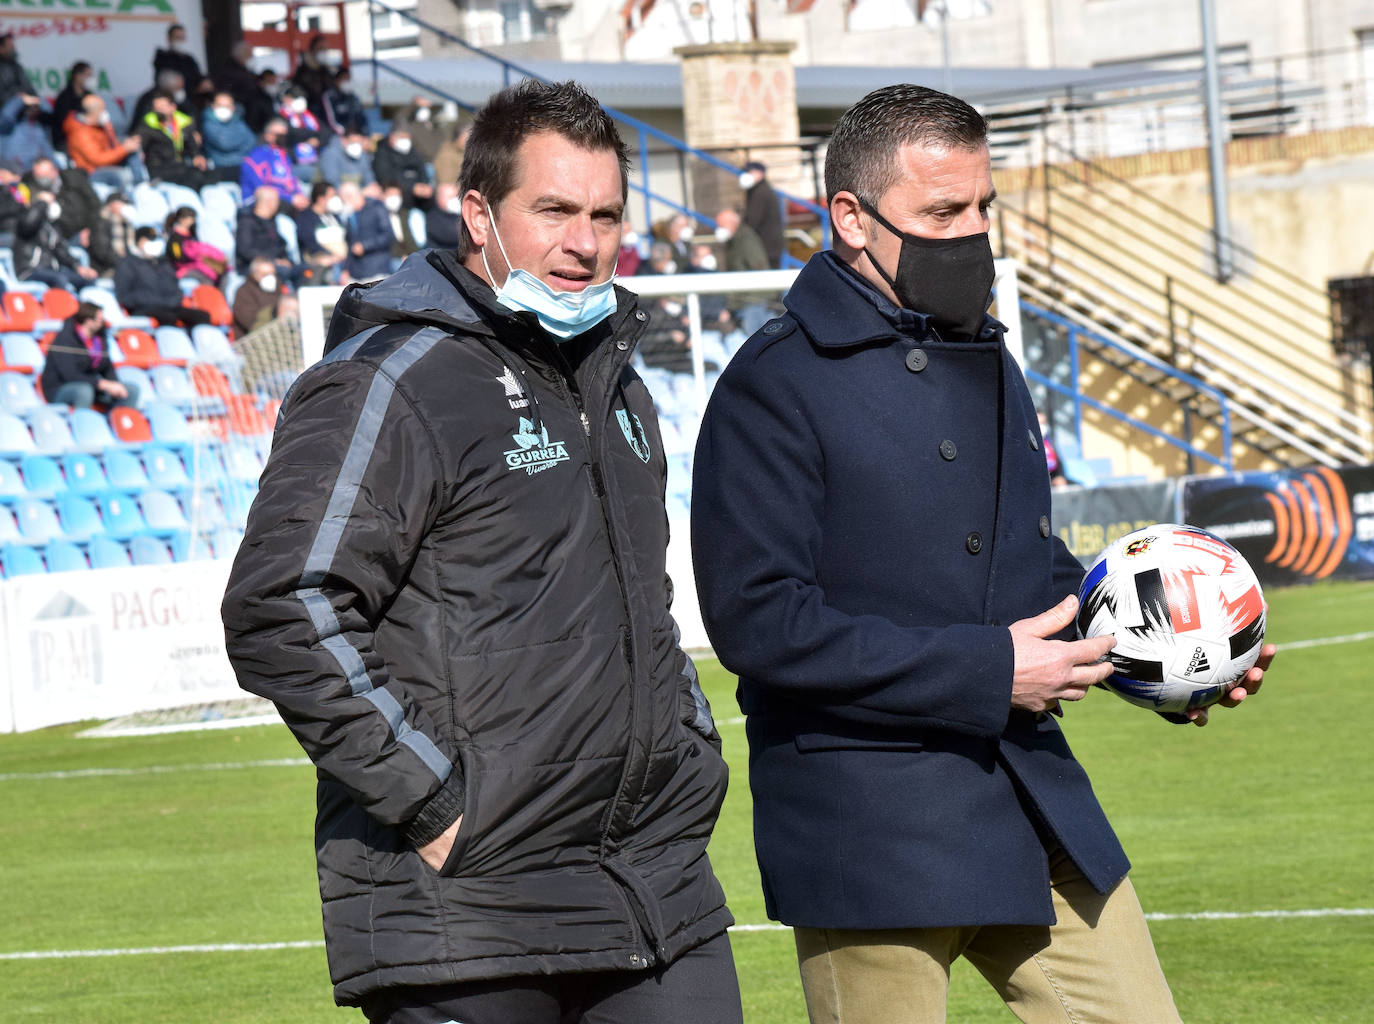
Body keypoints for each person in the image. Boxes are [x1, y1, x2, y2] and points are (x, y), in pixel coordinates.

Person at [690, 83, 1278, 1024]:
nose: (971, 234)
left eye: (982, 207)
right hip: (866, 824)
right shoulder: (773, 381)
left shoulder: (988, 353)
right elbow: (758, 622)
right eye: (941, 213)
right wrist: (990, 671)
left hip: (1028, 792)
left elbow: (1027, 572)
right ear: (851, 217)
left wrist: (1171, 656)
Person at [221, 77, 740, 1024]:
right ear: (478, 216)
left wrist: (687, 742)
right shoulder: (389, 378)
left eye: (605, 216)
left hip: (654, 884)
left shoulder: (618, 382)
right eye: (553, 211)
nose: (584, 242)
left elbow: (643, 602)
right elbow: (284, 603)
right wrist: (434, 803)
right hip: (469, 906)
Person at [40, 302, 138, 410]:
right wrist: (102, 384)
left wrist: (115, 385)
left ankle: (118, 418)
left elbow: (107, 367)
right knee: (84, 391)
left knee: (130, 390)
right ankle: (82, 420)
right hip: (60, 387)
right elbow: (70, 375)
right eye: (100, 320)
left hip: (92, 385)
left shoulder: (99, 339)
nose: (103, 323)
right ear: (88, 321)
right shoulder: (65, 339)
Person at [114, 226, 211, 326]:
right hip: (143, 308)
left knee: (202, 316)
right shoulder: (128, 264)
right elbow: (124, 296)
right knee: (168, 318)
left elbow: (176, 288)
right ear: (141, 242)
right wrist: (150, 300)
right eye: (152, 241)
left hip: (169, 306)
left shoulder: (164, 262)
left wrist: (172, 301)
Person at [14, 189, 99, 293]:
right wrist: (42, 203)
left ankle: (84, 304)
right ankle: (64, 304)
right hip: (30, 270)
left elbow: (61, 251)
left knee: (87, 280)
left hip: (52, 271)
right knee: (59, 279)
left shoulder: (53, 227)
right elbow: (28, 224)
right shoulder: (26, 219)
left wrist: (77, 267)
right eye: (49, 202)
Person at [64, 95, 143, 189]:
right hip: (92, 171)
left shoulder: (98, 124)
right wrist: (124, 149)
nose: (106, 113)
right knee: (122, 175)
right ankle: (123, 196)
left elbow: (113, 144)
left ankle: (140, 184)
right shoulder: (81, 133)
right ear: (93, 113)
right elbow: (98, 160)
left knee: (132, 150)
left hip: (107, 161)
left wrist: (126, 144)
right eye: (103, 110)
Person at [136, 89, 210, 188]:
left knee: (204, 177)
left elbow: (193, 147)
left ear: (173, 107)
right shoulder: (148, 126)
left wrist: (197, 156)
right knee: (193, 179)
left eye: (163, 107)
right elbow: (139, 145)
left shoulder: (184, 123)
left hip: (181, 167)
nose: (160, 111)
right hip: (159, 170)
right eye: (157, 108)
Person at [23, 156, 101, 243]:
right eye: (39, 176)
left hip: (88, 227)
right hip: (63, 236)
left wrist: (89, 228)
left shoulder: (73, 178)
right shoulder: (33, 189)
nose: (43, 179)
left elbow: (94, 203)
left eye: (46, 175)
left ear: (55, 171)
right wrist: (42, 202)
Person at [240, 118, 305, 207]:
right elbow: (260, 189)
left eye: (285, 135)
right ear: (267, 135)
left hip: (283, 201)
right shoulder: (257, 156)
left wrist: (299, 195)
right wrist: (290, 198)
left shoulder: (284, 156)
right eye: (278, 135)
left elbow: (291, 181)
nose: (282, 138)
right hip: (257, 201)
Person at [235, 185, 294, 278]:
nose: (279, 204)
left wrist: (285, 259)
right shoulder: (246, 222)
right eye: (277, 201)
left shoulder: (272, 221)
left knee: (305, 269)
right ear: (269, 202)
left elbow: (280, 246)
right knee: (284, 271)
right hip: (254, 267)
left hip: (276, 263)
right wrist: (272, 261)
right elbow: (245, 251)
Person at [295, 181, 347, 283]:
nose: (335, 199)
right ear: (320, 199)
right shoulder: (306, 218)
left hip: (342, 264)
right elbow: (309, 242)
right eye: (332, 196)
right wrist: (331, 256)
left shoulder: (334, 217)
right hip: (320, 264)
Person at [337, 179, 391, 280]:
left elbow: (387, 235)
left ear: (350, 196)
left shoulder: (376, 207)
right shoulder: (350, 215)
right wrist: (346, 269)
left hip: (377, 271)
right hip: (356, 274)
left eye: (343, 199)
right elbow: (349, 243)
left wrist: (365, 246)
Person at [218, 40, 273, 133]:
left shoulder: (246, 71)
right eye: (249, 55)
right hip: (243, 107)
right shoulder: (230, 71)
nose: (251, 58)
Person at [738, 159, 784, 267]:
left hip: (765, 247)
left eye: (749, 172)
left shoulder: (760, 193)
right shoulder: (759, 190)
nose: (745, 175)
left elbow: (753, 220)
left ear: (760, 174)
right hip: (769, 246)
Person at [165, 205, 227, 285]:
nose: (193, 222)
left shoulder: (191, 235)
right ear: (182, 220)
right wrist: (199, 259)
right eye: (191, 219)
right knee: (206, 278)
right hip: (183, 269)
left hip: (197, 265)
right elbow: (178, 257)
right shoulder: (175, 240)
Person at [371, 127, 432, 208]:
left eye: (407, 137)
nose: (405, 140)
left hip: (417, 195)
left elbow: (421, 169)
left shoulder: (413, 151)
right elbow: (385, 178)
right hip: (398, 193)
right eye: (402, 137)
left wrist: (424, 185)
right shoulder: (381, 153)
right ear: (392, 137)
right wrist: (412, 187)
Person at [202, 92, 256, 169]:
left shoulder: (238, 120)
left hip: (239, 165)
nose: (224, 108)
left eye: (227, 106)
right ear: (213, 106)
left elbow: (251, 141)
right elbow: (224, 144)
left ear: (233, 108)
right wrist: (240, 151)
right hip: (217, 167)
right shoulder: (207, 122)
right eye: (220, 105)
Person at [0, 92, 56, 168]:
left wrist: (39, 101)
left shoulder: (39, 128)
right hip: (12, 170)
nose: (32, 109)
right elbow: (6, 116)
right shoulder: (9, 126)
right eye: (29, 106)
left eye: (35, 107)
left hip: (35, 170)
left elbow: (48, 151)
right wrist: (20, 100)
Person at [88, 191, 137, 277]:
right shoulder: (102, 221)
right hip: (105, 269)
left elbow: (130, 248)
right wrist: (124, 263)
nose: (124, 206)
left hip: (123, 267)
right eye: (121, 203)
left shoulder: (126, 224)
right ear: (112, 204)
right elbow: (102, 251)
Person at [230, 256, 282, 335]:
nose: (270, 277)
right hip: (254, 336)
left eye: (272, 274)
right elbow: (249, 321)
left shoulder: (277, 287)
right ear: (254, 274)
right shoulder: (243, 292)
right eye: (265, 274)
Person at [51, 61, 93, 149]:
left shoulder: (89, 95)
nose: (90, 79)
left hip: (87, 138)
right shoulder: (65, 97)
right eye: (88, 75)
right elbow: (64, 122)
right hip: (67, 140)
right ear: (77, 76)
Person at [153, 22, 204, 94]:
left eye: (182, 38)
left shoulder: (189, 59)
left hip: (191, 97)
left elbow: (198, 78)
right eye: (177, 37)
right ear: (169, 39)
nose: (180, 41)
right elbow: (160, 79)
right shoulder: (162, 58)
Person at [290, 33, 333, 118]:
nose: (323, 52)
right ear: (312, 49)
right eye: (320, 49)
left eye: (325, 49)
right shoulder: (303, 71)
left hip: (328, 113)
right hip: (309, 114)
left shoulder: (327, 70)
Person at [322, 68, 366, 138]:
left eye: (348, 79)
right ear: (336, 81)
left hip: (356, 135)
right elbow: (331, 121)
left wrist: (363, 133)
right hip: (336, 135)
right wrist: (345, 132)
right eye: (344, 79)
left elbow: (362, 118)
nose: (347, 82)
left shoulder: (353, 97)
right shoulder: (330, 96)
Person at [423, 181, 461, 250]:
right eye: (451, 197)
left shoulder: (458, 215)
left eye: (456, 196)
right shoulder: (433, 217)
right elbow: (453, 236)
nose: (456, 200)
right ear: (440, 198)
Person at [0, 32, 29, 110]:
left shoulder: (18, 67)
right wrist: (17, 94)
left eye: (13, 46)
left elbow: (29, 88)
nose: (13, 49)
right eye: (10, 46)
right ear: (1, 49)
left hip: (25, 101)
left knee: (43, 104)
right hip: (6, 105)